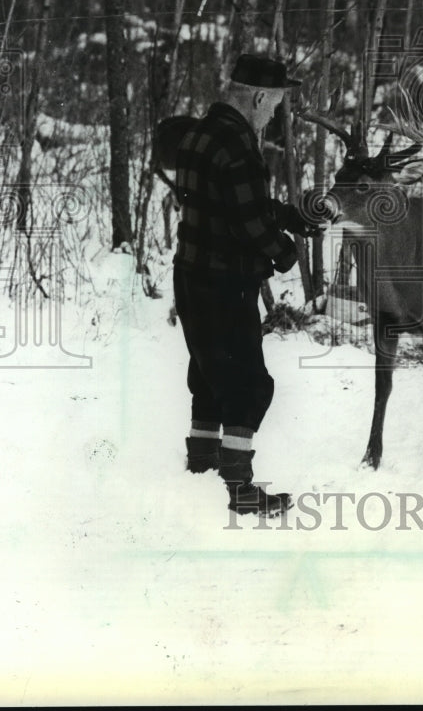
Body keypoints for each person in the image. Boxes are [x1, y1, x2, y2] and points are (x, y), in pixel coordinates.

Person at [173, 53, 319, 517]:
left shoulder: (199, 134)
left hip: (191, 275)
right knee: (249, 386)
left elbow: (225, 201)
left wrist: (287, 214)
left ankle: (200, 471)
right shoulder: (239, 145)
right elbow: (248, 223)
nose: (274, 113)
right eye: (274, 104)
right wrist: (285, 249)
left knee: (208, 374)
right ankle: (239, 491)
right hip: (227, 283)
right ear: (257, 97)